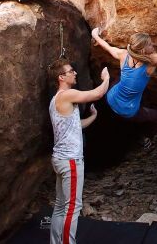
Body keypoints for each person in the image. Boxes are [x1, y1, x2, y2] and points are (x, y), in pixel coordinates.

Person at [49, 62, 110, 244]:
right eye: (70, 71)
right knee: (73, 207)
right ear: (61, 77)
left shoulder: (57, 100)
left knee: (61, 206)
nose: (75, 73)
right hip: (70, 161)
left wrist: (92, 117)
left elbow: (76, 126)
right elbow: (98, 93)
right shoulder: (67, 95)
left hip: (60, 159)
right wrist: (106, 78)